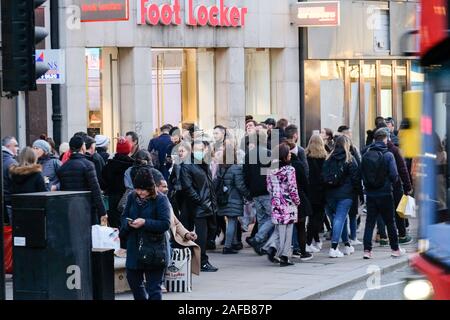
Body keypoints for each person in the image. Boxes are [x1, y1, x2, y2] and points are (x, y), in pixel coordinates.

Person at [120, 168, 171, 300]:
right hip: (134, 247)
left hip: (153, 249)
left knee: (153, 289)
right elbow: (124, 216)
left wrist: (145, 222)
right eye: (137, 189)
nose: (140, 192)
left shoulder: (161, 199)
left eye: (143, 189)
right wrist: (128, 223)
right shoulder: (132, 196)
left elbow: (165, 224)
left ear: (150, 188)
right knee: (133, 281)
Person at [361, 128, 405, 259]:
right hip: (385, 193)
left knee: (370, 222)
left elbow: (361, 173)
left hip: (370, 193)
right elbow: (394, 175)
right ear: (385, 139)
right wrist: (392, 183)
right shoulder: (388, 155)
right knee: (390, 222)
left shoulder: (366, 154)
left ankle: (367, 251)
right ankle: (395, 249)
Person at [179, 140, 219, 272]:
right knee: (201, 236)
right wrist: (200, 201)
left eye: (201, 150)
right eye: (197, 149)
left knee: (209, 233)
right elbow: (188, 187)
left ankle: (200, 260)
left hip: (208, 205)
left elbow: (208, 185)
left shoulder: (203, 164)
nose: (199, 152)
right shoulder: (187, 165)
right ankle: (201, 261)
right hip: (198, 206)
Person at [154, 176, 201, 276]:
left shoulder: (166, 201)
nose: (167, 189)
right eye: (164, 186)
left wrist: (187, 234)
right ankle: (160, 281)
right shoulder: (153, 202)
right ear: (155, 187)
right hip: (159, 239)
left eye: (167, 186)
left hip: (170, 239)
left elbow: (176, 222)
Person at [263, 143, 301, 266]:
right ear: (284, 155)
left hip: (276, 203)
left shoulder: (270, 170)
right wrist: (297, 201)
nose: (290, 154)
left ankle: (273, 248)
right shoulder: (290, 169)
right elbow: (292, 188)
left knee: (279, 229)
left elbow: (269, 188)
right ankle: (284, 256)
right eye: (288, 153)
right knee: (289, 229)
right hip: (288, 203)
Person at [323, 135, 361, 258]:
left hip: (330, 193)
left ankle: (347, 244)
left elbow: (323, 176)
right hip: (346, 194)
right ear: (347, 144)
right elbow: (356, 179)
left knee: (341, 218)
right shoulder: (350, 159)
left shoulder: (329, 158)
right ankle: (334, 247)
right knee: (339, 218)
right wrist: (359, 194)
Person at [57, 135, 107, 225]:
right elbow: (96, 189)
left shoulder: (63, 167)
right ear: (82, 147)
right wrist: (102, 212)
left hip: (70, 209)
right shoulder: (88, 165)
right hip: (87, 208)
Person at [214, 140, 251, 254]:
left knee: (231, 221)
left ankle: (233, 243)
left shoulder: (220, 167)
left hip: (223, 198)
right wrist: (248, 195)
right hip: (234, 198)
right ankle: (228, 246)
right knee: (232, 221)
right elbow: (240, 185)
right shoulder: (236, 168)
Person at [243, 130, 273, 255]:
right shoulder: (268, 153)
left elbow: (246, 174)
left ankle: (260, 245)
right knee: (273, 217)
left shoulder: (249, 155)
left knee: (261, 218)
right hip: (266, 190)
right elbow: (271, 173)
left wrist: (249, 189)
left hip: (254, 191)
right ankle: (259, 238)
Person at [287, 141, 314, 260]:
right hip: (298, 198)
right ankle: (302, 251)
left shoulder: (277, 165)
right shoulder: (297, 164)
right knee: (301, 226)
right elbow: (304, 182)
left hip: (283, 200)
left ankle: (288, 250)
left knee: (286, 227)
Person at [337, 125, 363, 245]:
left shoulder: (332, 153)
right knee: (351, 215)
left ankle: (343, 239)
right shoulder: (351, 153)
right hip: (349, 190)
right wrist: (360, 191)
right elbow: (357, 170)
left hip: (335, 190)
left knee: (340, 216)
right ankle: (351, 238)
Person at [102, 137, 134, 228]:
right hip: (127, 198)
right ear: (129, 150)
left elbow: (103, 184)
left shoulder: (109, 165)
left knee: (114, 225)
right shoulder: (132, 166)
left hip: (111, 199)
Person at [305, 134, 328, 252]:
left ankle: (315, 241)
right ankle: (308, 242)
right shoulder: (324, 157)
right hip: (321, 193)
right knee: (317, 219)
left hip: (309, 192)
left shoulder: (306, 156)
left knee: (311, 218)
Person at [2, 136, 19, 223]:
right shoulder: (12, 163)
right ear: (8, 146)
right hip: (9, 202)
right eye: (15, 146)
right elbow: (17, 183)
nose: (18, 148)